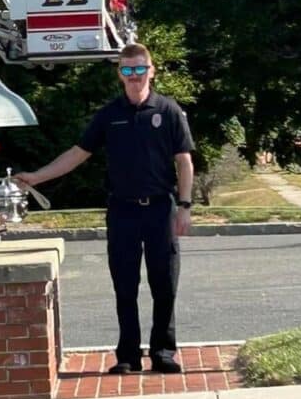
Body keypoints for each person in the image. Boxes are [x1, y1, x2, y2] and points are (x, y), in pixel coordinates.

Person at [15, 43, 194, 375]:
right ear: (120, 74)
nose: (135, 76)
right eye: (128, 70)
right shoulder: (109, 115)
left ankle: (163, 351)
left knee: (164, 283)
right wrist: (37, 177)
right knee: (124, 285)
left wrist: (184, 206)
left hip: (160, 210)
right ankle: (128, 355)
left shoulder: (169, 111)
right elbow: (77, 153)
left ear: (151, 71)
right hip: (122, 211)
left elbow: (184, 161)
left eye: (140, 69)